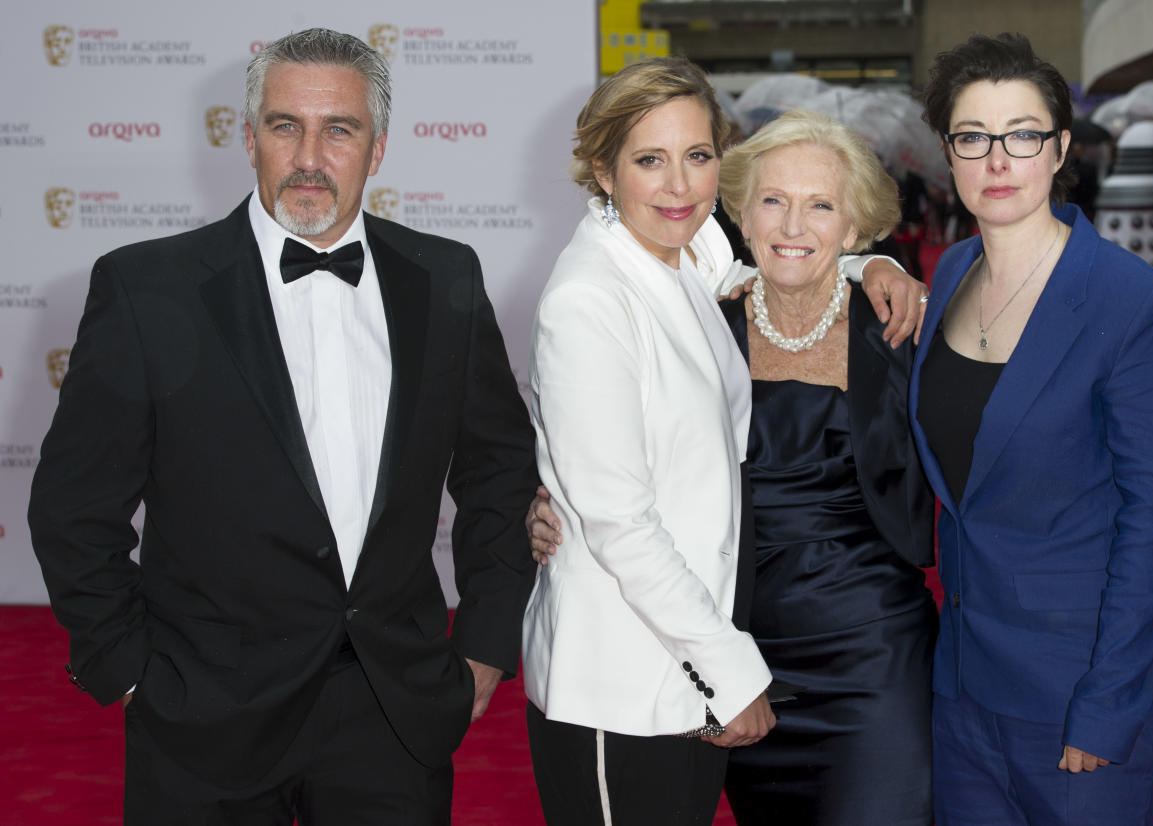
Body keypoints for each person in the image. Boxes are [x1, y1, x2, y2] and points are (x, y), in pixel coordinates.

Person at [27, 28, 537, 826]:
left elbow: (499, 473)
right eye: (283, 125)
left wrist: (483, 646)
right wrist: (128, 671)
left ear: (377, 150)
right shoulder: (145, 288)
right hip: (202, 715)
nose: (309, 155)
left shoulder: (446, 279)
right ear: (249, 137)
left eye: (339, 129)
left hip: (391, 709)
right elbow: (72, 508)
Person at [520, 58, 926, 826]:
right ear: (603, 170)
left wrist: (870, 261)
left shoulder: (689, 253)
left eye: (697, 157)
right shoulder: (587, 299)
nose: (678, 185)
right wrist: (734, 671)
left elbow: (788, 255)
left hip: (692, 672)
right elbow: (616, 519)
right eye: (649, 159)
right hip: (622, 676)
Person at [913, 33, 1153, 825]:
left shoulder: (1131, 303)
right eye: (973, 137)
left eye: (1023, 134)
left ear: (1061, 149)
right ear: (949, 153)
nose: (997, 160)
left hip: (1082, 686)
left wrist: (1107, 705)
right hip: (964, 684)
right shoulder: (948, 274)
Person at [714, 110, 937, 825]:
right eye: (774, 200)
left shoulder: (900, 326)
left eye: (821, 205)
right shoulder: (699, 326)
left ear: (853, 228)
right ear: (742, 216)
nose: (793, 224)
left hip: (873, 657)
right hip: (747, 668)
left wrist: (882, 267)